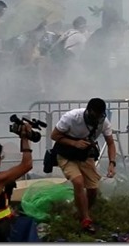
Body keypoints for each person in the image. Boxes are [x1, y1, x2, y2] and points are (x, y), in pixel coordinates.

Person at [50, 98, 117, 233]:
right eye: (94, 115)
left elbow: (110, 143)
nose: (97, 119)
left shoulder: (104, 122)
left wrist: (112, 163)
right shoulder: (71, 117)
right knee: (78, 181)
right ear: (88, 111)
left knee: (93, 189)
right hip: (66, 154)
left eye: (100, 116)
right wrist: (74, 143)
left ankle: (80, 213)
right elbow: (54, 135)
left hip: (85, 155)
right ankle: (86, 220)